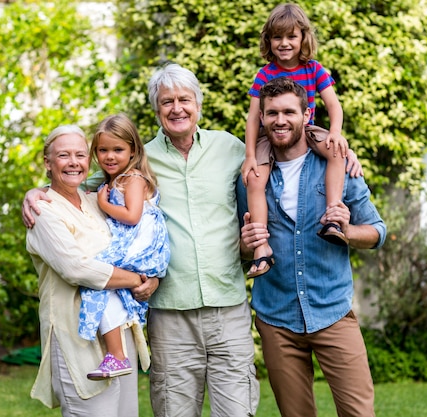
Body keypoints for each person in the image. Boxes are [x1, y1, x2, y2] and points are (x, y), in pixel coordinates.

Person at [23, 64, 260, 416]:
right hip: (169, 311)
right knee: (174, 410)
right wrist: (35, 193)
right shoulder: (141, 160)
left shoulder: (230, 148)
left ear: (198, 103)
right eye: (167, 101)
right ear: (157, 109)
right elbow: (78, 183)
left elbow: (272, 157)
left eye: (184, 99)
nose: (177, 108)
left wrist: (331, 141)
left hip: (228, 305)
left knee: (238, 410)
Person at [240, 76, 387, 417]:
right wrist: (246, 244)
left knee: (359, 413)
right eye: (272, 112)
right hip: (277, 319)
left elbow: (377, 231)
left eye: (289, 112)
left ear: (307, 116)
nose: (280, 120)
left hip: (332, 311)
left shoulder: (338, 163)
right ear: (261, 117)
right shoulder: (250, 175)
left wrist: (347, 230)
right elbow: (240, 243)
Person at [25, 124, 152, 417]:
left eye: (80, 155)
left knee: (126, 412)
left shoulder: (96, 200)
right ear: (48, 162)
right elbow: (76, 268)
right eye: (63, 155)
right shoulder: (43, 210)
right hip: (75, 334)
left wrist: (151, 278)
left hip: (117, 331)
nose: (73, 162)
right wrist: (136, 279)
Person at [242, 3, 350, 278]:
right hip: (271, 137)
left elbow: (334, 106)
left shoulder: (314, 69)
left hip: (307, 131)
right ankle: (262, 248)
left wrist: (335, 133)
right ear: (269, 40)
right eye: (277, 37)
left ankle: (333, 219)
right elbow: (254, 118)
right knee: (255, 178)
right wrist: (250, 156)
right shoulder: (265, 74)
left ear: (303, 38)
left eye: (291, 36)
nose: (284, 43)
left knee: (338, 153)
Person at [79, 114, 170, 380]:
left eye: (118, 150)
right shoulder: (112, 180)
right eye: (103, 150)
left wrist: (104, 205)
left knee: (99, 278)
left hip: (142, 243)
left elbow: (132, 216)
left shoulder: (134, 179)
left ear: (133, 150)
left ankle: (116, 356)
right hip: (131, 240)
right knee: (106, 286)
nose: (110, 156)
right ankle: (117, 355)